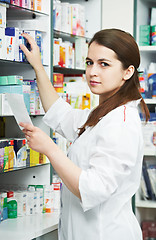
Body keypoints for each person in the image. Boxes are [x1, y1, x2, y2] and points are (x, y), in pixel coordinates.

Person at [19, 28, 150, 240]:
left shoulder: (121, 123)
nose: (92, 72)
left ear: (128, 72)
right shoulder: (102, 114)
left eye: (104, 64)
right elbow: (60, 113)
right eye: (89, 62)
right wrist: (38, 66)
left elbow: (93, 189)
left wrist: (50, 149)